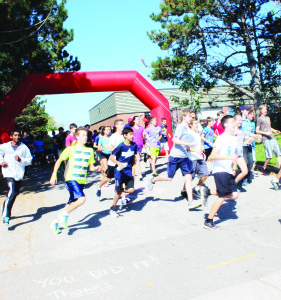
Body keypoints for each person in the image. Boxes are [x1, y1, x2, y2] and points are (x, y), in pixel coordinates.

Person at [49, 127, 100, 234]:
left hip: (81, 181)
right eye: (82, 135)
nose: (85, 137)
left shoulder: (90, 150)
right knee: (81, 199)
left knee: (72, 203)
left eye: (86, 135)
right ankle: (65, 215)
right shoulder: (70, 149)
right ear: (76, 137)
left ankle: (55, 223)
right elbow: (59, 161)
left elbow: (90, 167)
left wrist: (96, 168)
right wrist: (54, 175)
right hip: (71, 178)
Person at [148, 109, 201, 210]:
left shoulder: (186, 128)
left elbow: (185, 143)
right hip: (175, 157)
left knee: (188, 177)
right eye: (189, 116)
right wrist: (189, 144)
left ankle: (191, 201)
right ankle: (153, 179)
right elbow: (175, 140)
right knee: (169, 177)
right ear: (184, 117)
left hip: (184, 158)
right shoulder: (180, 127)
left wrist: (192, 149)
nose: (191, 118)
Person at [203, 115, 239, 230]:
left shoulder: (233, 138)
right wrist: (229, 157)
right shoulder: (221, 138)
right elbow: (213, 156)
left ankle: (208, 191)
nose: (235, 124)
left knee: (234, 195)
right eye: (233, 122)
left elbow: (234, 157)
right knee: (223, 196)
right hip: (220, 170)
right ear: (226, 125)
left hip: (228, 170)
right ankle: (209, 221)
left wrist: (233, 168)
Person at [0, 129, 32, 226]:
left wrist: (21, 160)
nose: (17, 137)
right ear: (11, 136)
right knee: (12, 191)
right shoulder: (5, 146)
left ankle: (5, 207)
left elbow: (29, 160)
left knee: (14, 193)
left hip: (18, 174)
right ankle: (6, 216)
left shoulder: (24, 147)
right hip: (8, 172)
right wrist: (1, 162)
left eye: (19, 135)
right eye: (15, 135)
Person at [108, 127, 137, 218]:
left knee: (131, 190)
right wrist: (118, 163)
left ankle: (118, 189)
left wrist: (133, 170)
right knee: (119, 193)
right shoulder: (121, 146)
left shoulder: (134, 145)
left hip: (128, 172)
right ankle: (113, 208)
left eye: (132, 134)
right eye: (130, 134)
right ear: (125, 135)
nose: (132, 136)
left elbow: (134, 159)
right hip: (119, 172)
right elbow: (111, 157)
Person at [96, 120, 124, 197]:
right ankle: (99, 186)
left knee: (122, 177)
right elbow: (110, 149)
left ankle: (122, 196)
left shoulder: (123, 136)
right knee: (108, 179)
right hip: (112, 161)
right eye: (121, 124)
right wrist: (119, 148)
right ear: (116, 126)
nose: (123, 125)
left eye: (123, 124)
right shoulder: (113, 137)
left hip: (120, 160)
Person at [184, 118, 210, 203]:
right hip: (191, 159)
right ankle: (184, 190)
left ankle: (197, 188)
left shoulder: (197, 133)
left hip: (199, 158)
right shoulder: (188, 134)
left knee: (206, 174)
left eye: (197, 123)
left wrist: (202, 146)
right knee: (190, 178)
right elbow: (186, 147)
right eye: (195, 123)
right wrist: (195, 150)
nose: (197, 125)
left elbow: (199, 142)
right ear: (190, 125)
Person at [256, 104, 281, 175]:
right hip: (266, 139)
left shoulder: (268, 118)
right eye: (264, 109)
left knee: (279, 153)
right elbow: (257, 130)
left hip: (272, 137)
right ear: (260, 110)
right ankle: (264, 167)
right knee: (270, 156)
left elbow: (269, 128)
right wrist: (265, 133)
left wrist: (276, 131)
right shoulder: (259, 119)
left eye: (266, 109)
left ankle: (280, 170)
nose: (265, 110)